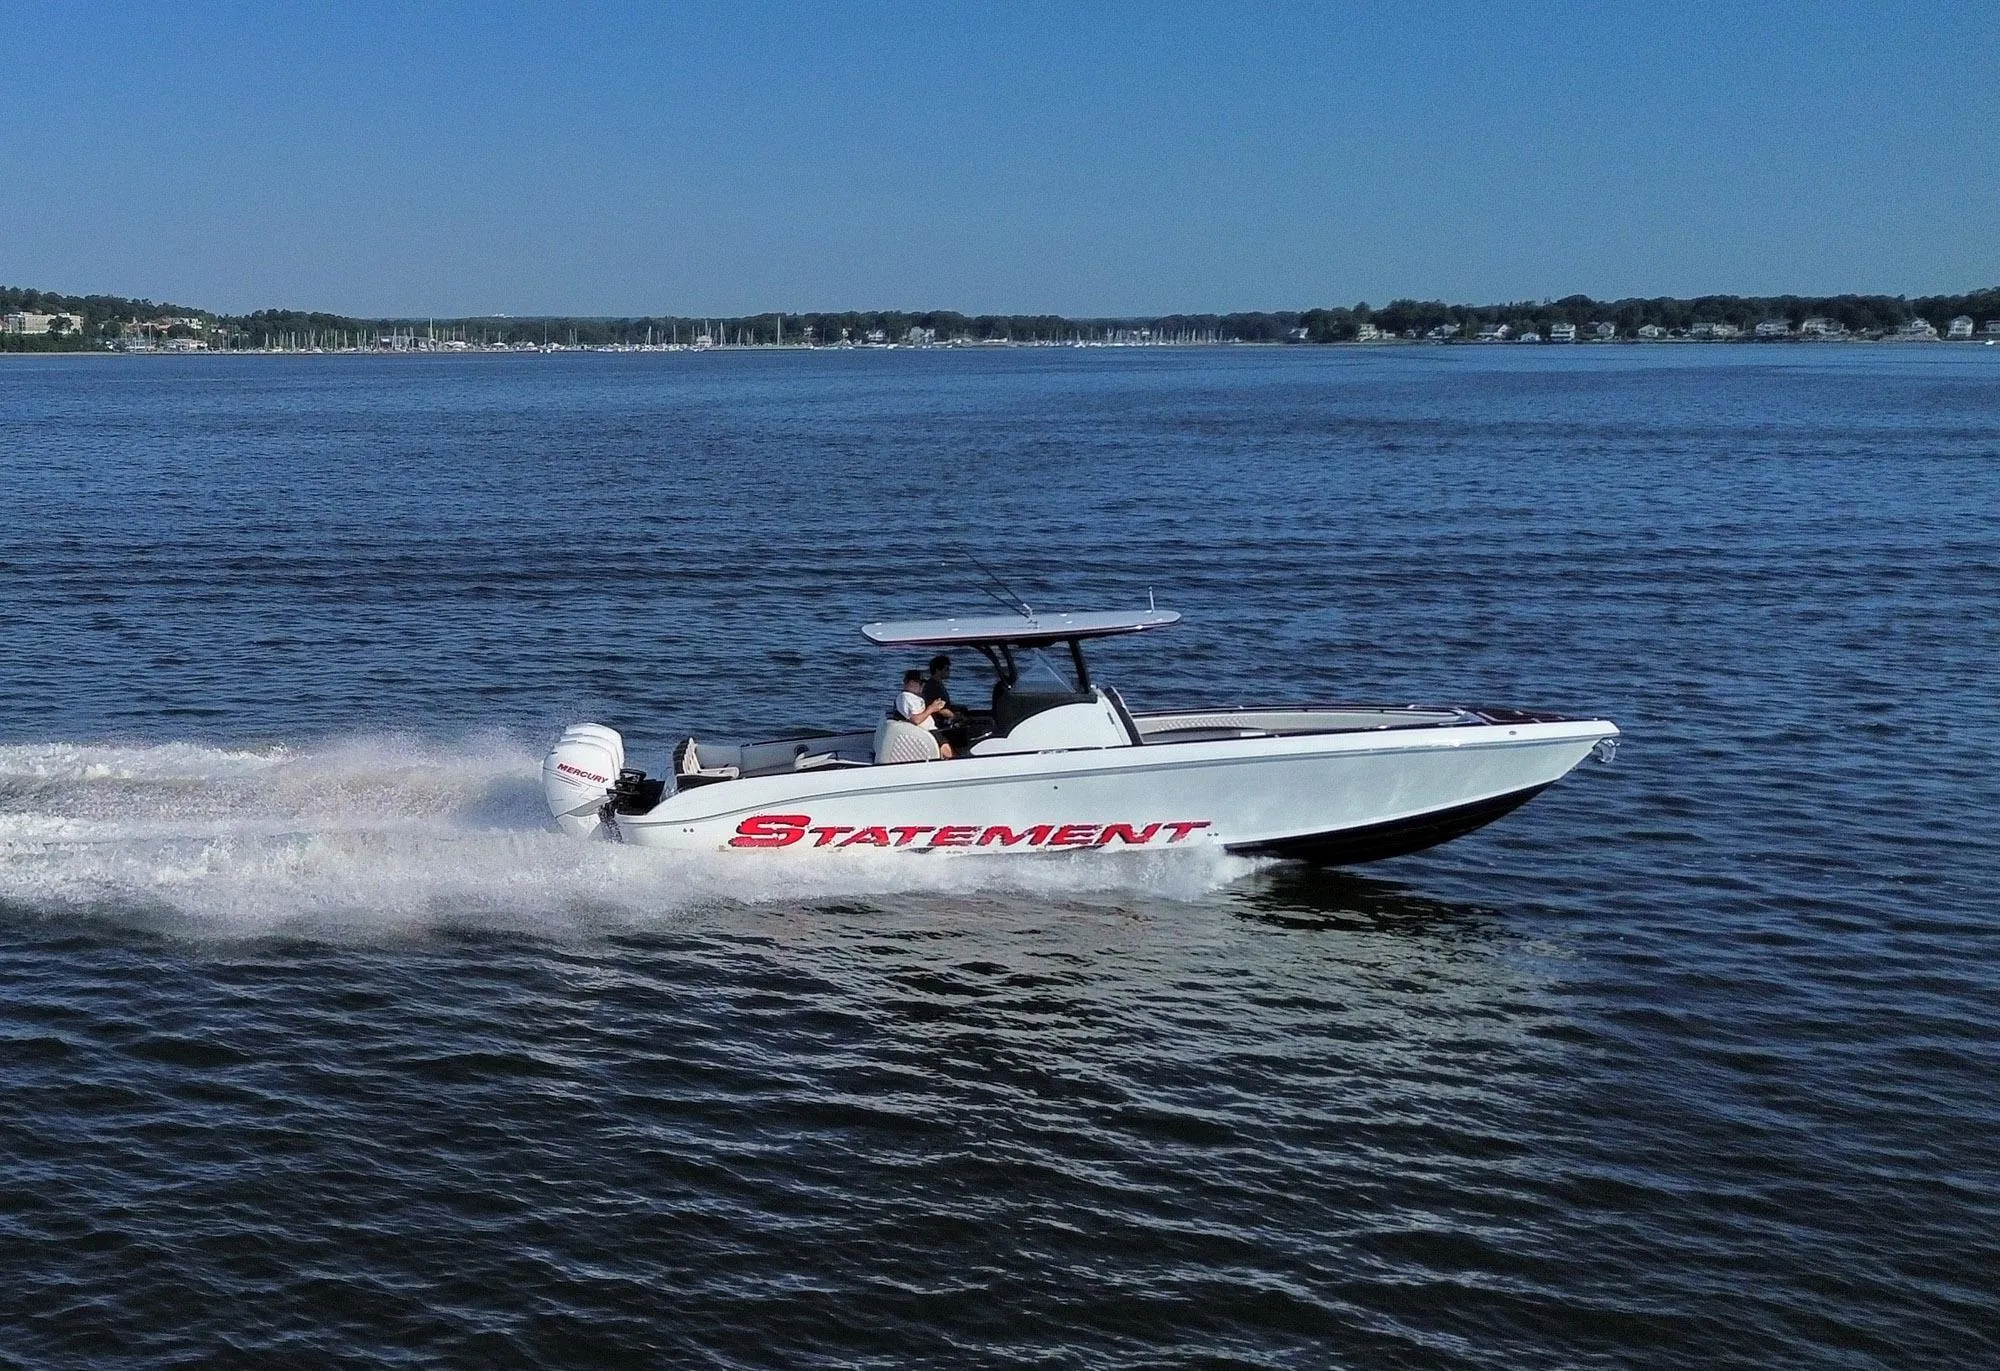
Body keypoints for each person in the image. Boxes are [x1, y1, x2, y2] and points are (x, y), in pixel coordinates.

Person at [894, 668, 954, 758]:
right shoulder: (905, 697)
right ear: (911, 682)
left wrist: (937, 707)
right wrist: (932, 708)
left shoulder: (916, 697)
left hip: (931, 730)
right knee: (948, 753)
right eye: (921, 683)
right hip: (926, 733)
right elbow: (916, 720)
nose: (923, 686)